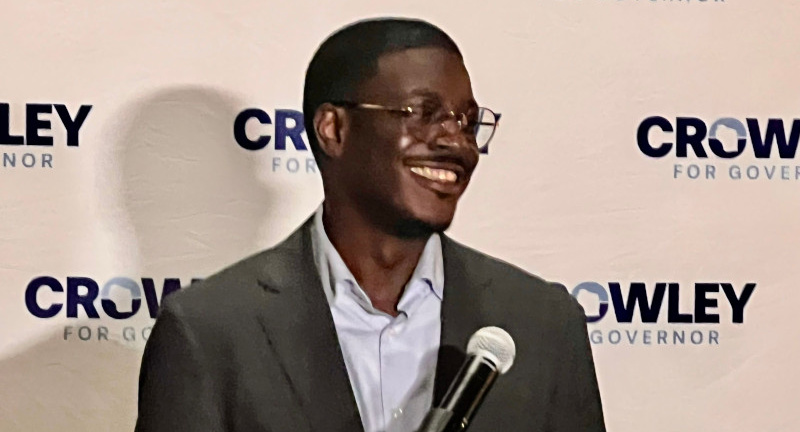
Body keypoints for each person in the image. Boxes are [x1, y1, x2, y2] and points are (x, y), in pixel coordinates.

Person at [135, 17, 605, 432]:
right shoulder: (210, 332)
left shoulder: (543, 325)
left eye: (467, 121)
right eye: (422, 113)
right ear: (334, 130)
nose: (457, 143)